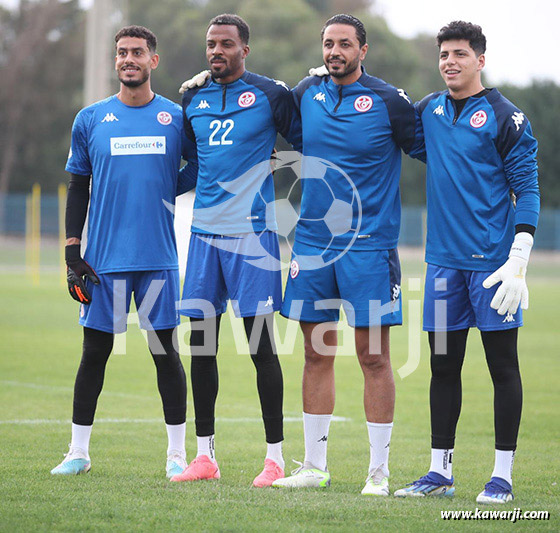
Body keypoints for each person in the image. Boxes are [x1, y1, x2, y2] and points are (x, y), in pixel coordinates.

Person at [272, 14, 421, 495]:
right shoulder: (305, 96)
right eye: (328, 44)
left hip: (370, 248)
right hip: (313, 247)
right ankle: (314, 467)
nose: (334, 51)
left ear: (364, 49)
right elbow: (277, 123)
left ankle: (378, 473)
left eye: (344, 44)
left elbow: (435, 150)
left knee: (373, 357)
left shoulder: (389, 101)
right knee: (316, 354)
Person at [394, 21, 539, 504]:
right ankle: (440, 472)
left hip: (493, 269)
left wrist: (519, 257)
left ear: (480, 59)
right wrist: (335, 83)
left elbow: (529, 190)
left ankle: (502, 476)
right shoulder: (429, 111)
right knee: (442, 368)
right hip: (442, 266)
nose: (449, 62)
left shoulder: (506, 117)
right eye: (443, 55)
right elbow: (389, 124)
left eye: (459, 53)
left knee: (502, 369)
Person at [51, 25, 198, 478]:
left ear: (154, 60)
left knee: (165, 354)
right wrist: (73, 251)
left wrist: (165, 189)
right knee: (93, 354)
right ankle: (78, 452)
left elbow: (197, 166)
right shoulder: (91, 119)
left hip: (158, 260)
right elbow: (79, 186)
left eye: (137, 52)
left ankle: (176, 456)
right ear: (116, 61)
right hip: (104, 262)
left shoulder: (176, 117)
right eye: (122, 53)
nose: (128, 59)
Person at [169, 14, 301, 487]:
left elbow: (306, 144)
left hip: (253, 239)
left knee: (260, 348)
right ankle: (204, 457)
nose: (216, 51)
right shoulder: (193, 97)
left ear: (245, 48)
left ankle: (275, 459)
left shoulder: (271, 95)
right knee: (202, 349)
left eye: (226, 44)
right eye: (211, 44)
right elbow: (189, 162)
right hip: (203, 237)